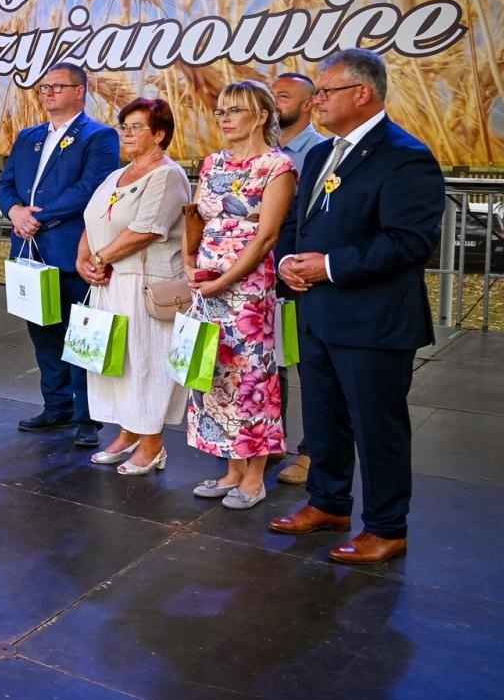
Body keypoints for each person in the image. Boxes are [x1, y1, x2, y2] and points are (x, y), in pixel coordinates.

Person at [272, 48, 444, 564]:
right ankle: (328, 502)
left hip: (373, 320)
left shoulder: (405, 156)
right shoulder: (322, 154)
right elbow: (299, 224)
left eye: (326, 92)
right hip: (319, 313)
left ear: (362, 93)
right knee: (324, 418)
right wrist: (288, 262)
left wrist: (328, 266)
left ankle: (387, 527)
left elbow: (410, 241)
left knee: (376, 428)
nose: (316, 101)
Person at [0, 63, 121, 447]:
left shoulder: (99, 136)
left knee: (80, 336)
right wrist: (15, 212)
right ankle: (56, 407)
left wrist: (38, 217)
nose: (47, 92)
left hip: (72, 251)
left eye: (57, 86)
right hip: (30, 253)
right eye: (44, 87)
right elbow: (5, 184)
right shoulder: (28, 136)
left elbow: (91, 188)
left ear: (79, 91)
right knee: (44, 334)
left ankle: (87, 418)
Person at [185, 81, 296, 511]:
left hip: (247, 290)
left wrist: (226, 279)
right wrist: (190, 262)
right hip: (206, 283)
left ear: (262, 116)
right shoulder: (213, 163)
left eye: (234, 110)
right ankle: (231, 468)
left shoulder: (277, 166)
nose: (225, 118)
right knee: (213, 373)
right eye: (221, 111)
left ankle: (254, 476)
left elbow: (266, 236)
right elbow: (196, 218)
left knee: (252, 378)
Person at [77, 98, 191, 474]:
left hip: (146, 285)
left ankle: (153, 443)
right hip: (109, 282)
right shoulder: (116, 175)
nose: (127, 133)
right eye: (124, 127)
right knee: (118, 363)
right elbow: (93, 220)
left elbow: (145, 230)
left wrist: (100, 258)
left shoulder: (167, 175)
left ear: (159, 134)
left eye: (136, 127)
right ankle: (128, 432)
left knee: (147, 363)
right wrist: (83, 259)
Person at [270, 71, 324, 486]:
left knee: (310, 366)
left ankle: (313, 453)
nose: (274, 103)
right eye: (271, 95)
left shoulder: (320, 153)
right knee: (269, 362)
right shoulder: (261, 150)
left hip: (301, 275)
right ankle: (269, 441)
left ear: (309, 104)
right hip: (259, 272)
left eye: (284, 96)